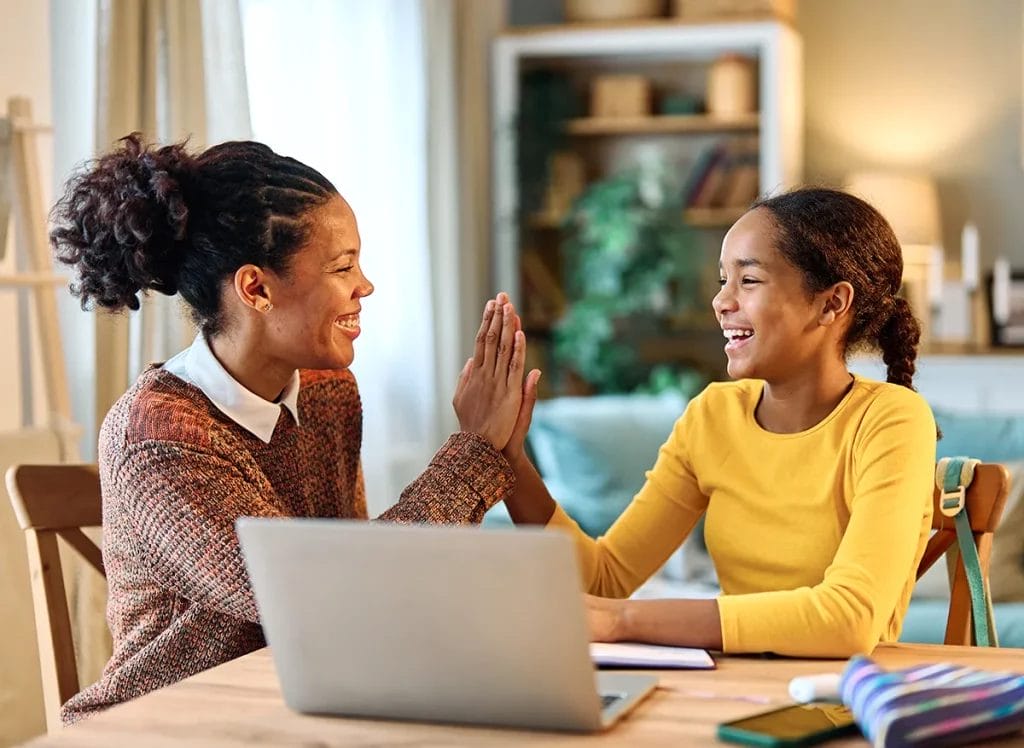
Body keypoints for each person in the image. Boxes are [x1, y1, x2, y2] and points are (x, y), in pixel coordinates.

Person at [50, 134, 528, 723]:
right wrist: (474, 451)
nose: (366, 286)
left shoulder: (328, 392)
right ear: (256, 288)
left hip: (296, 714)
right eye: (343, 266)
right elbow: (320, 601)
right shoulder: (158, 438)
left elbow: (356, 573)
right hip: (166, 728)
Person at [502, 187, 937, 658]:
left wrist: (623, 620)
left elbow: (848, 619)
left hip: (842, 699)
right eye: (721, 280)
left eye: (748, 280)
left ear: (832, 304)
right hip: (729, 686)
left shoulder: (892, 420)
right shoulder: (713, 415)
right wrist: (510, 459)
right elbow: (604, 580)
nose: (721, 302)